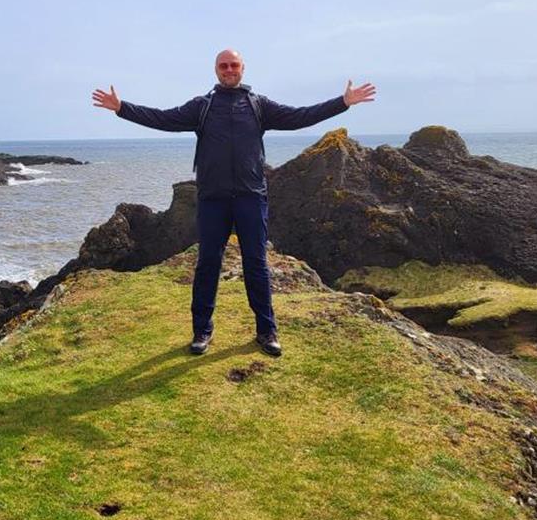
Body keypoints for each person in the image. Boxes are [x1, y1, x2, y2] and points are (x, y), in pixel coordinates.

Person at [92, 49, 375, 357]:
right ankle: (202, 331)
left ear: (242, 69)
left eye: (234, 65)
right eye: (223, 65)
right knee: (207, 265)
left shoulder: (258, 106)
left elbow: (299, 116)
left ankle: (267, 331)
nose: (229, 69)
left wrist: (342, 103)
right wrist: (122, 108)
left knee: (256, 265)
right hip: (212, 200)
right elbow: (163, 118)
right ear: (216, 70)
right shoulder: (202, 106)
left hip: (251, 198)